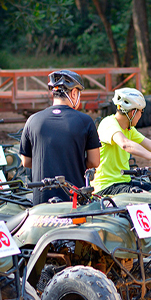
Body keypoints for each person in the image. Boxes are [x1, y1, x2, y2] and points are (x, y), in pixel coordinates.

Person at [19, 70, 101, 205]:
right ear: (74, 93)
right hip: (74, 200)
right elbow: (94, 162)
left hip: (41, 202)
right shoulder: (85, 121)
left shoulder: (32, 120)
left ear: (53, 93)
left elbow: (26, 161)